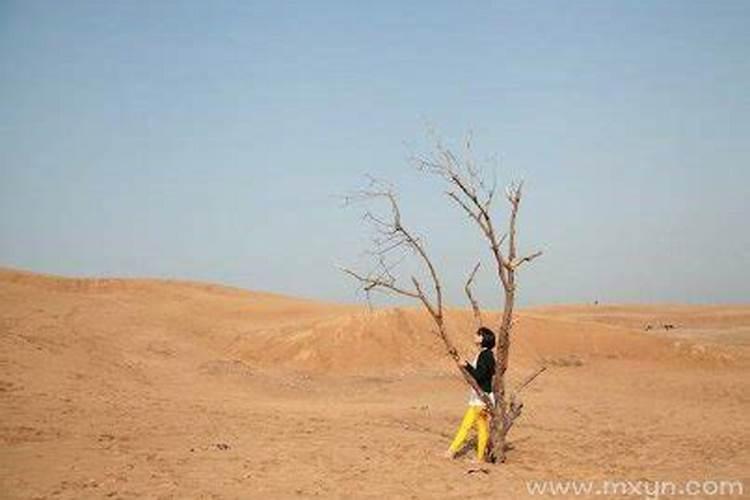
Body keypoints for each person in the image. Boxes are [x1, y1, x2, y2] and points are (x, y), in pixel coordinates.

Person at [445, 326, 496, 462]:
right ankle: (480, 457)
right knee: (481, 427)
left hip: (481, 399)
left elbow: (479, 375)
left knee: (466, 425)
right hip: (481, 397)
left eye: (478, 334)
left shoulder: (486, 355)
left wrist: (466, 365)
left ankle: (452, 451)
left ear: (483, 338)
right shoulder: (486, 354)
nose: (475, 336)